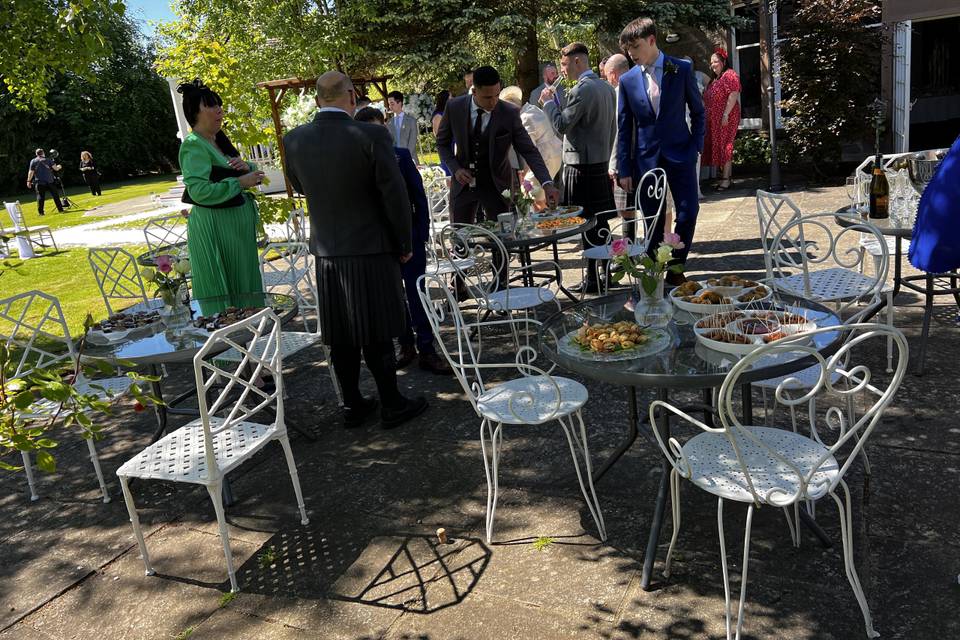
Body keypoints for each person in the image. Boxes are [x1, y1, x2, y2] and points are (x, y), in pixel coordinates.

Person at [283, 71, 428, 429]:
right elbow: (392, 195)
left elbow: (300, 185)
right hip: (371, 247)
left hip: (329, 253)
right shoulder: (372, 134)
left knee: (342, 333)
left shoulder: (294, 139)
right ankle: (391, 403)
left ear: (318, 100)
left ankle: (352, 403)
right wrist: (404, 242)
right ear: (351, 96)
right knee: (377, 329)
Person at [354, 106, 452, 375]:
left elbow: (419, 199)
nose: (381, 134)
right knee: (393, 298)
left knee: (416, 294)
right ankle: (405, 344)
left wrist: (419, 235)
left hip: (409, 239)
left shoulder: (401, 156)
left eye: (382, 128)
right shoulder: (358, 162)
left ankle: (428, 349)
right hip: (379, 244)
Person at [616, 17, 705, 284]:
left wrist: (695, 148)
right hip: (646, 161)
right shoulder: (628, 80)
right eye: (627, 50)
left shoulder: (680, 70)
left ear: (651, 40)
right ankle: (654, 273)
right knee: (652, 222)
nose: (631, 54)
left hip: (681, 154)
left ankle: (676, 271)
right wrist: (624, 167)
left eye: (635, 47)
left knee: (689, 212)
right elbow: (624, 127)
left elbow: (699, 112)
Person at [177, 79, 264, 306]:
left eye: (219, 105)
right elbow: (199, 191)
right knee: (224, 293)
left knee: (245, 290)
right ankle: (228, 339)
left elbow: (245, 173)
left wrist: (247, 169)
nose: (219, 110)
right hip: (216, 229)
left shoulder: (219, 141)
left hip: (237, 232)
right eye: (212, 106)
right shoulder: (193, 145)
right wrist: (239, 183)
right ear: (195, 112)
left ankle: (249, 335)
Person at [436, 65, 560, 224]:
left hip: (497, 185)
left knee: (502, 239)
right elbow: (442, 143)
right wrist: (456, 169)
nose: (494, 102)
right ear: (474, 92)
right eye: (488, 97)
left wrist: (547, 183)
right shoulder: (455, 107)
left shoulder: (509, 112)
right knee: (460, 238)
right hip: (463, 186)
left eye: (496, 95)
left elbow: (529, 151)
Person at [540, 42, 617, 294]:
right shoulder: (606, 87)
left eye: (563, 64)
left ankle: (594, 280)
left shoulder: (582, 90)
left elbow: (561, 126)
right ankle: (603, 275)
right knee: (601, 223)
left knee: (586, 225)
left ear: (577, 62)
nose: (562, 71)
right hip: (601, 162)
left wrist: (549, 103)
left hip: (581, 167)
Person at [498, 85, 562, 188]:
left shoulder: (525, 119)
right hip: (553, 155)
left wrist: (525, 175)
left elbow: (529, 150)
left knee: (531, 192)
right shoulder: (531, 109)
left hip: (545, 159)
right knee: (538, 192)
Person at [702, 47, 741, 191]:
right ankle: (725, 177)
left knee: (726, 145)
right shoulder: (715, 79)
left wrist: (725, 114)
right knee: (720, 145)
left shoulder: (729, 75)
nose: (712, 65)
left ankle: (726, 179)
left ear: (723, 62)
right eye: (711, 62)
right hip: (715, 119)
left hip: (727, 116)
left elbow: (733, 94)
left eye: (715, 62)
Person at [604, 54, 631, 210]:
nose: (608, 79)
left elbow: (619, 128)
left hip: (623, 160)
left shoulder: (618, 92)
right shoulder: (638, 85)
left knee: (626, 210)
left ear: (613, 73)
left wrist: (613, 163)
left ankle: (628, 236)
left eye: (607, 75)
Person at [26, 148, 64, 216]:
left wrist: (28, 181)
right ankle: (60, 209)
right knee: (55, 195)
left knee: (40, 197)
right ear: (43, 153)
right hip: (50, 181)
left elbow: (31, 172)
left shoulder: (33, 161)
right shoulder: (48, 160)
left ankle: (41, 213)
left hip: (39, 182)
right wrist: (59, 166)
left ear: (36, 154)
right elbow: (56, 169)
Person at [386, 90, 419, 165]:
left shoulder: (411, 121)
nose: (390, 106)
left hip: (410, 158)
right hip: (395, 160)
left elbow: (413, 142)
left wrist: (405, 157)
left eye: (392, 104)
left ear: (399, 103)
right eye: (389, 104)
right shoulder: (388, 122)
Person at [432, 90, 452, 177]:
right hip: (446, 146)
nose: (453, 99)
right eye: (451, 98)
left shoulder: (450, 112)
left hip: (454, 144)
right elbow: (437, 134)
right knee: (449, 171)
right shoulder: (438, 115)